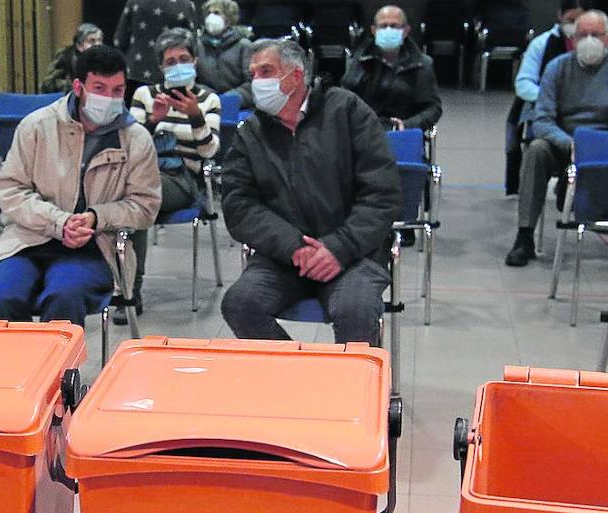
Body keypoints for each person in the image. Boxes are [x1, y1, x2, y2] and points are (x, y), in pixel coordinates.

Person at [221, 39, 401, 345]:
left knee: (354, 309)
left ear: (296, 76)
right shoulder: (251, 132)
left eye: (266, 71)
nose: (257, 82)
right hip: (283, 257)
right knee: (240, 303)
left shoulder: (347, 111)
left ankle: (353, 391)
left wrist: (337, 248)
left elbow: (382, 193)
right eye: (253, 74)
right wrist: (294, 247)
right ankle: (301, 383)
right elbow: (238, 205)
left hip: (355, 254)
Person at [0, 45, 162, 327]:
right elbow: (10, 190)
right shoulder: (37, 126)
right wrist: (60, 222)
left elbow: (145, 206)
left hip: (97, 247)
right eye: (99, 88)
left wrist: (96, 216)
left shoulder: (136, 138)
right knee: (0, 297)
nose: (109, 98)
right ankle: (16, 370)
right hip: (28, 240)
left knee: (64, 296)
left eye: (117, 90)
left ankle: (61, 371)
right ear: (79, 87)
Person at [505, 11, 608, 266]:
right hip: (565, 146)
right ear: (572, 40)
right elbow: (543, 120)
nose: (589, 40)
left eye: (596, 35)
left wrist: (603, 142)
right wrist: (569, 142)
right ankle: (524, 235)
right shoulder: (557, 68)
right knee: (536, 150)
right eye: (583, 35)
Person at [125, 28, 221, 320]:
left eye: (183, 58)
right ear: (160, 67)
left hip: (185, 181)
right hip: (143, 176)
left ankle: (129, 291)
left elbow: (208, 153)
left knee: (136, 199)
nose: (177, 65)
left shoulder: (208, 99)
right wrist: (154, 120)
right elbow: (130, 145)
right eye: (170, 61)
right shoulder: (145, 95)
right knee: (134, 198)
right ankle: (123, 285)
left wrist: (195, 115)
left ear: (194, 61)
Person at [505, 0, 586, 193]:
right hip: (547, 109)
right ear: (560, 16)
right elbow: (523, 85)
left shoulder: (594, 44)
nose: (574, 25)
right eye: (570, 19)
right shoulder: (541, 44)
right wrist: (552, 98)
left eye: (580, 19)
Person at [340, 5, 442, 131]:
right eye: (383, 26)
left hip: (402, 132)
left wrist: (408, 125)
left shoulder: (421, 63)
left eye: (394, 26)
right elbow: (345, 97)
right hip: (365, 131)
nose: (388, 30)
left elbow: (432, 108)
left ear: (405, 31)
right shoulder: (360, 60)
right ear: (374, 30)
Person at [114, 0, 199, 93]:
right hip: (172, 74)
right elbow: (193, 44)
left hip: (134, 73)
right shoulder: (185, 5)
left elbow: (119, 40)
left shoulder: (134, 2)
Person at [195, 0, 253, 106]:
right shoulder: (198, 45)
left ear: (229, 18)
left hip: (237, 106)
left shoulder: (244, 45)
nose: (211, 17)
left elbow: (251, 82)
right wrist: (211, 97)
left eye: (216, 12)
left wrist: (229, 99)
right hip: (207, 104)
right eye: (209, 13)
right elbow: (194, 80)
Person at [41, 23, 104, 93]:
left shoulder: (104, 59)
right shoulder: (65, 57)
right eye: (92, 41)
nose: (98, 44)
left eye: (100, 40)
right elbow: (49, 84)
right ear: (79, 45)